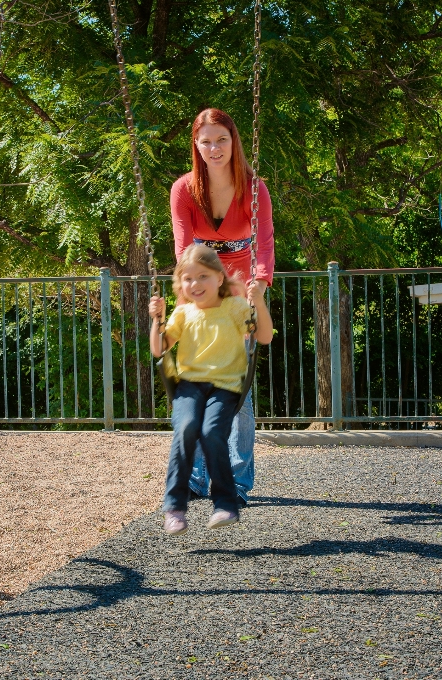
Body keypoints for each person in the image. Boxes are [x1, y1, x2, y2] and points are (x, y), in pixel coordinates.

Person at [170, 108, 274, 507]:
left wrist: (259, 284)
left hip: (242, 290)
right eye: (206, 141)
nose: (214, 148)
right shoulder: (184, 190)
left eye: (222, 140)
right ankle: (196, 478)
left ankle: (239, 480)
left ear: (234, 142)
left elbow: (263, 243)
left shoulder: (253, 188)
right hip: (203, 291)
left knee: (238, 390)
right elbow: (183, 248)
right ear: (196, 145)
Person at [149, 244, 273, 535]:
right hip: (189, 386)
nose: (195, 284)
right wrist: (156, 320)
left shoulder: (235, 307)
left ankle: (225, 504)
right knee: (186, 428)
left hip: (226, 386)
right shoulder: (183, 313)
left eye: (203, 276)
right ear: (181, 284)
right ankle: (175, 508)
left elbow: (264, 336)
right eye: (188, 279)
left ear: (219, 278)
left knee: (211, 433)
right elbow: (158, 349)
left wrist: (259, 302)